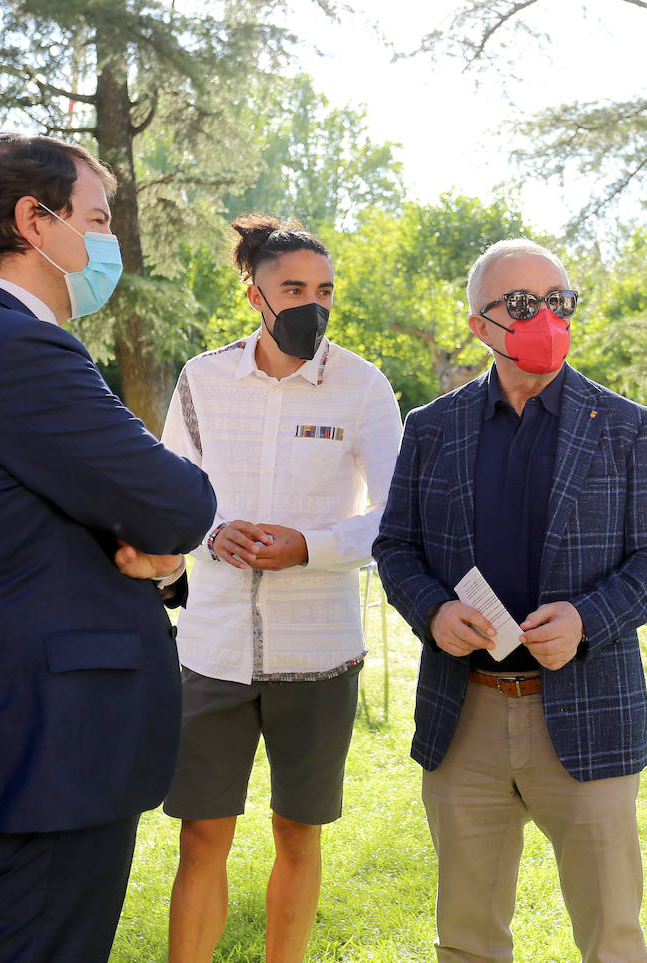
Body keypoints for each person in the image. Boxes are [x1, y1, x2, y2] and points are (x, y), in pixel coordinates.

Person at [0, 132, 216, 963]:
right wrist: (161, 534)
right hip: (45, 741)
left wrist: (159, 548)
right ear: (35, 223)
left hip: (34, 735)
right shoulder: (19, 347)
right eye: (98, 219)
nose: (108, 243)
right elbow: (180, 501)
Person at [373, 238, 647, 963]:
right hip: (467, 713)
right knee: (468, 938)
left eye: (559, 301)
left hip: (587, 710)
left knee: (612, 935)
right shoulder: (431, 427)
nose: (545, 316)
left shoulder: (629, 426)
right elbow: (396, 547)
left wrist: (588, 618)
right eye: (522, 305)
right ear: (481, 324)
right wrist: (431, 611)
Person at [160, 214, 402, 963]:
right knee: (202, 834)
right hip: (212, 649)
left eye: (324, 289)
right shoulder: (202, 377)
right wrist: (210, 531)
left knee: (298, 832)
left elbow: (398, 516)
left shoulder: (363, 385)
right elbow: (172, 493)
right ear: (254, 293)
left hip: (319, 651)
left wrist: (310, 547)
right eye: (293, 287)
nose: (312, 303)